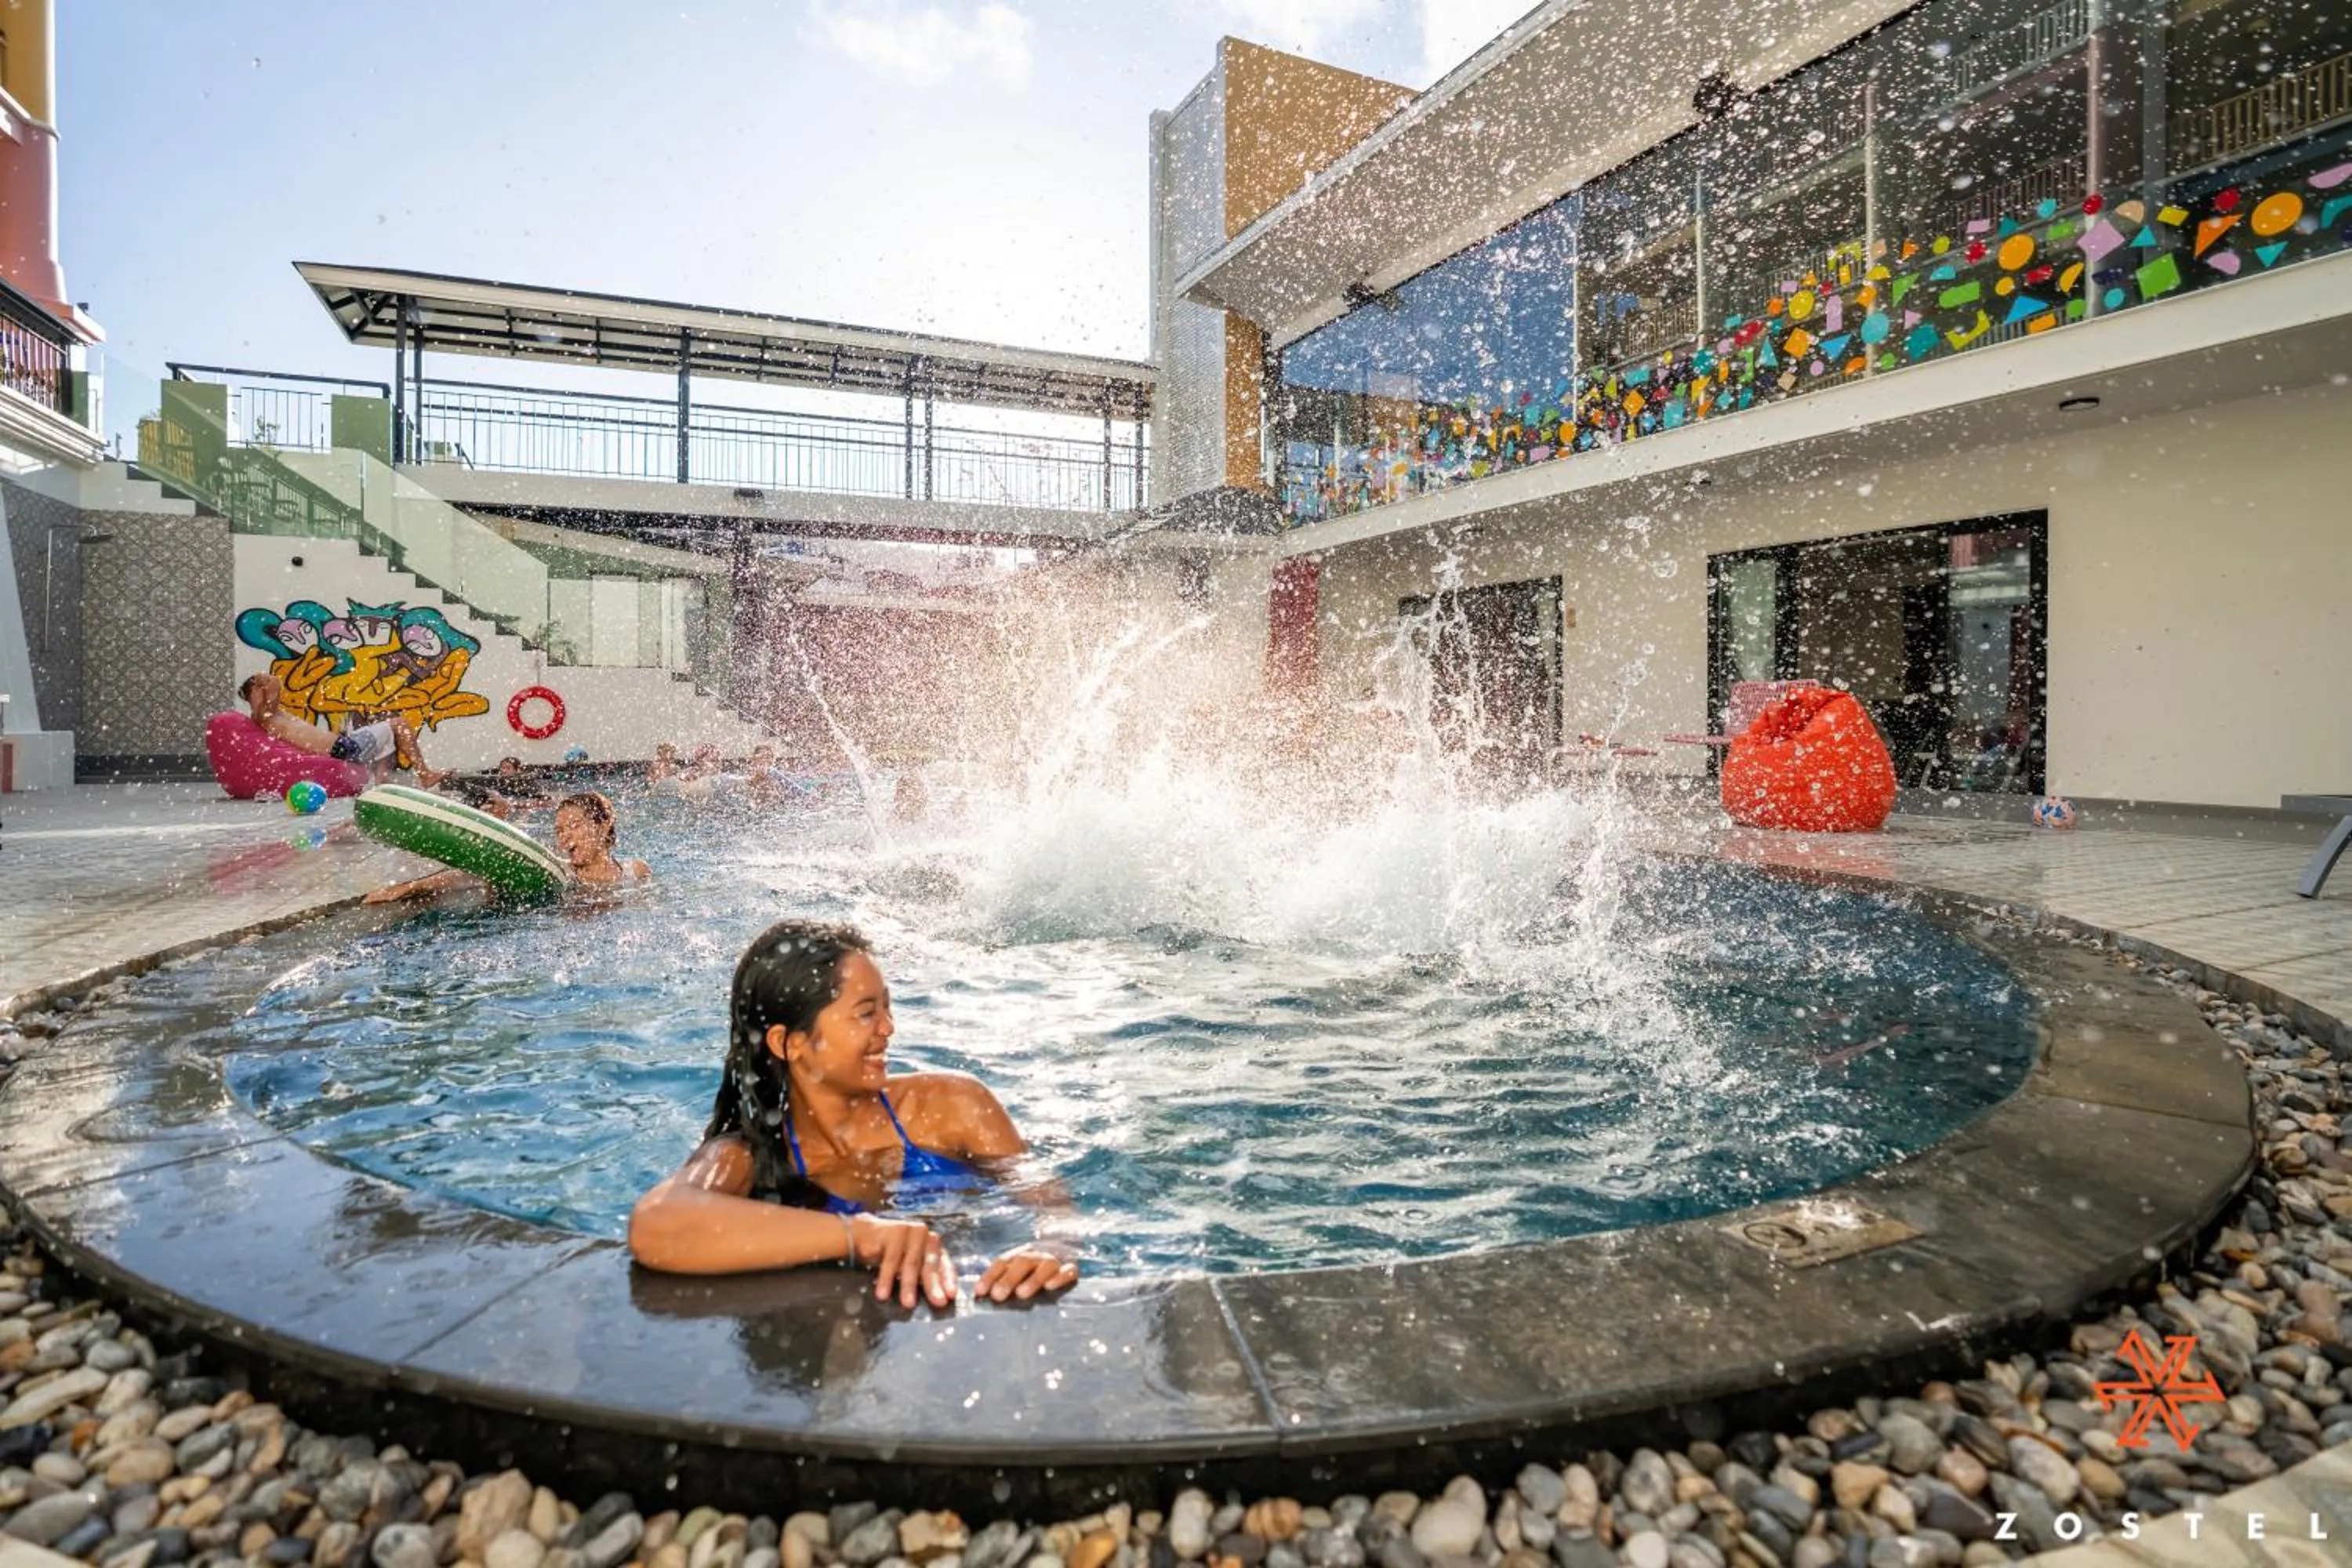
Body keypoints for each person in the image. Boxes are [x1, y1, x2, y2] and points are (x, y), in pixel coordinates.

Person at [629, 920, 1078, 1307]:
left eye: (887, 1006)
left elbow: (1049, 1200)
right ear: (789, 1043)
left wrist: (1052, 1248)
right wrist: (861, 1237)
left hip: (984, 1302)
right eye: (865, 1013)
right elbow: (656, 1225)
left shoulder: (952, 1105)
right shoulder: (750, 1155)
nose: (889, 1028)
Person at [365, 790, 648, 903]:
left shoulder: (634, 871)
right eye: (559, 830)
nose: (564, 837)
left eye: (574, 825)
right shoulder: (559, 873)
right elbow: (471, 875)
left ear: (603, 825)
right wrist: (409, 887)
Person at [241, 672, 445, 786]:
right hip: (342, 749)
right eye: (262, 683)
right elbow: (276, 683)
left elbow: (274, 686)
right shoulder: (263, 716)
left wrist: (262, 683)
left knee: (391, 727)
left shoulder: (273, 714)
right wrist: (263, 683)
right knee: (400, 724)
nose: (268, 682)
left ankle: (381, 781)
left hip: (343, 743)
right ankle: (424, 774)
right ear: (256, 691)